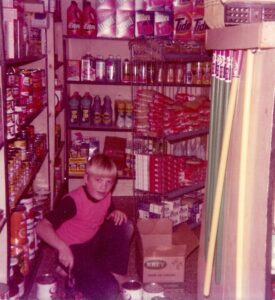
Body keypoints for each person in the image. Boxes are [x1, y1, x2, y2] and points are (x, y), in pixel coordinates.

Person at [36, 154, 134, 300]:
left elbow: (105, 211)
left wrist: (114, 212)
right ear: (86, 178)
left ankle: (116, 273)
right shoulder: (72, 201)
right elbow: (41, 226)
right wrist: (62, 247)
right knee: (109, 291)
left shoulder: (106, 195)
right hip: (72, 250)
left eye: (109, 182)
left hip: (92, 243)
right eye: (98, 180)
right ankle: (66, 270)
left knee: (125, 224)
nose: (104, 186)